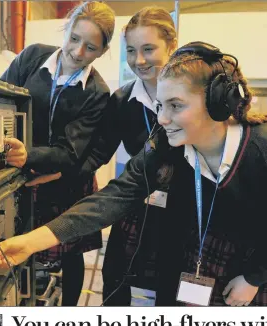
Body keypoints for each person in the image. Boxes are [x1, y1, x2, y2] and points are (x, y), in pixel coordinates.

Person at [0, 41, 267, 307]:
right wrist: (31, 241)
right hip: (204, 248)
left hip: (266, 254)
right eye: (160, 106)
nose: (164, 119)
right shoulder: (168, 143)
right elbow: (117, 196)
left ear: (218, 103)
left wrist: (253, 278)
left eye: (176, 106)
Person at [0, 1, 116, 306]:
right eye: (75, 39)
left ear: (102, 52)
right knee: (21, 240)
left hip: (67, 179)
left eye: (90, 47)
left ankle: (69, 312)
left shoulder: (97, 93)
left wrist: (31, 157)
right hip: (17, 168)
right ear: (66, 29)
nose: (78, 52)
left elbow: (70, 152)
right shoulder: (32, 57)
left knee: (69, 250)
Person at [80, 7, 177, 306]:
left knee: (172, 288)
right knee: (115, 279)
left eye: (149, 49)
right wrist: (61, 173)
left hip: (182, 209)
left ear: (172, 46)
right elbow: (98, 151)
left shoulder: (193, 96)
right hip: (137, 202)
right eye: (131, 50)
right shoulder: (122, 100)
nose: (139, 60)